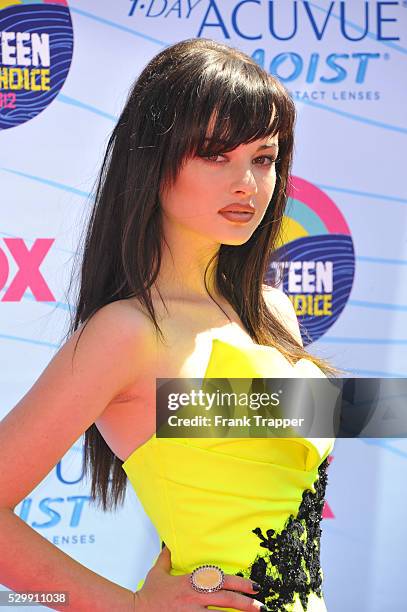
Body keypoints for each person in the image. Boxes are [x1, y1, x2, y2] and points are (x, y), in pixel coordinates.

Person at [0, 38, 339, 611]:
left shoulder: (273, 311)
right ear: (153, 160)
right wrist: (127, 608)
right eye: (215, 154)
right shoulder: (125, 333)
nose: (248, 184)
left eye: (263, 158)